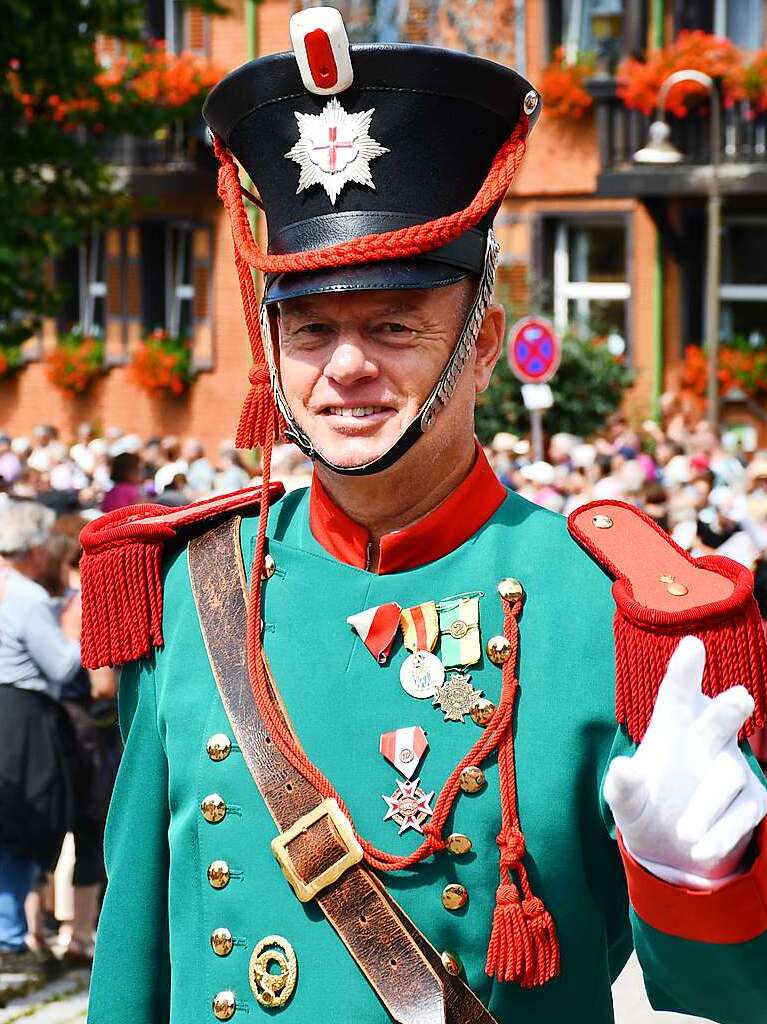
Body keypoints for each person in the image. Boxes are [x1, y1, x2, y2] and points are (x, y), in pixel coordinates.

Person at [83, 12, 767, 1024]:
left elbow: (733, 998)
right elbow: (131, 965)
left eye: (394, 324)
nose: (346, 366)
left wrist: (695, 878)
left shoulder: (607, 613)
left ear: (482, 343)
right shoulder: (195, 592)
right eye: (310, 328)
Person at [0, 502, 81, 973]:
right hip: (23, 714)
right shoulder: (27, 595)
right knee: (21, 821)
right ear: (34, 549)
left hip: (12, 709)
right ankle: (10, 935)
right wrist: (76, 627)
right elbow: (61, 665)